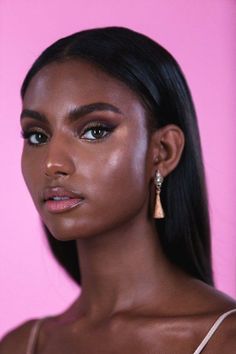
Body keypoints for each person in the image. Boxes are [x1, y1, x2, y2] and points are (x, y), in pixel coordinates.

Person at [1, 26, 235, 354]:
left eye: (95, 131)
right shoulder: (23, 345)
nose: (51, 164)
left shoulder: (223, 340)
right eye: (37, 135)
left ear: (163, 151)